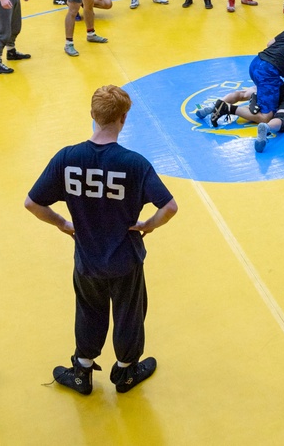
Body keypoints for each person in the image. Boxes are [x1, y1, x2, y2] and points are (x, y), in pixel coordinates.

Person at [25, 85, 177, 396]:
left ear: (93, 116)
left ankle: (82, 371)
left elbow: (32, 203)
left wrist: (62, 223)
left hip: (87, 259)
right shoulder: (134, 163)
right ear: (123, 119)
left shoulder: (67, 158)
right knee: (129, 313)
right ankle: (125, 372)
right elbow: (169, 207)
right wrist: (148, 224)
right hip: (125, 259)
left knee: (88, 310)